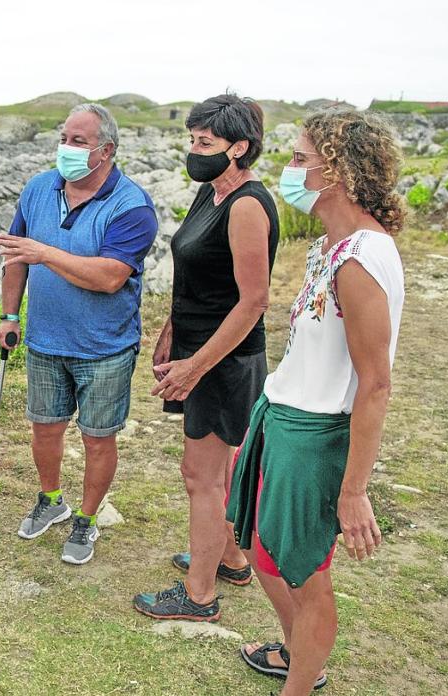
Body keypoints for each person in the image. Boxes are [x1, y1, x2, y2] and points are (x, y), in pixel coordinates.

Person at [228, 110, 405, 694]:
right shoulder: (334, 245)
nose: (289, 168)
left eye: (301, 157)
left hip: (315, 430)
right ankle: (297, 649)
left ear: (339, 170)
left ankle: (301, 682)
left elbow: (375, 383)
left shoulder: (359, 259)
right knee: (258, 543)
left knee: (305, 573)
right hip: (281, 413)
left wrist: (353, 490)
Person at [132, 95, 279, 622]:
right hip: (200, 348)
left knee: (202, 476)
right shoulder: (210, 193)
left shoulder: (245, 206)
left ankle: (198, 595)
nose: (193, 151)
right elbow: (196, 275)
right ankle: (232, 558)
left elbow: (253, 301)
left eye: (205, 143)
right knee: (215, 471)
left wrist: (197, 366)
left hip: (225, 361)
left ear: (239, 148)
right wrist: (172, 332)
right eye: (191, 139)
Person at [0, 103, 158, 565]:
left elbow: (108, 277)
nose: (65, 148)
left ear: (105, 151)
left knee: (97, 436)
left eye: (77, 141)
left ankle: (86, 519)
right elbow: (16, 255)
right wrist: (10, 315)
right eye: (64, 137)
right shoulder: (38, 188)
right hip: (45, 340)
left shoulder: (131, 206)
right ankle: (51, 499)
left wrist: (45, 252)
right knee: (45, 429)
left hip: (105, 347)